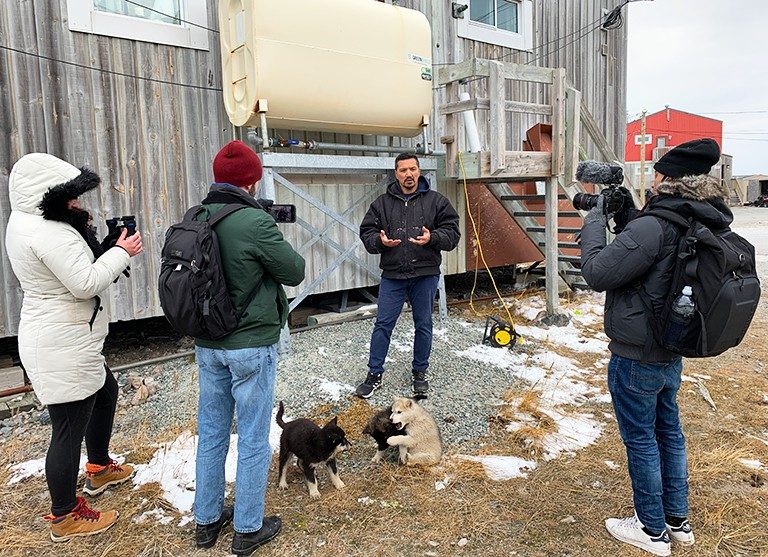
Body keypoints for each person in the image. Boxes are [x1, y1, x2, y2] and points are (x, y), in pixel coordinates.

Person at [580, 138, 726, 556]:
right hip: (671, 345)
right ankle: (678, 523)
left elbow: (597, 271)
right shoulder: (697, 218)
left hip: (636, 352)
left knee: (642, 439)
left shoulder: (655, 224)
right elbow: (655, 260)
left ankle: (650, 530)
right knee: (669, 434)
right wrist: (629, 214)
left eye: (656, 174)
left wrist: (593, 218)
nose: (652, 179)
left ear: (667, 179)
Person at [4, 153, 143, 541]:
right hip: (59, 341)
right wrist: (121, 252)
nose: (78, 203)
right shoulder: (46, 231)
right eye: (71, 196)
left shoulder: (33, 222)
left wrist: (107, 249)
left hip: (67, 335)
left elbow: (68, 271)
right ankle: (64, 516)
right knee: (67, 429)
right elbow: (83, 283)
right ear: (46, 194)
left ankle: (98, 469)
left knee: (105, 390)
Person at [192, 140, 305, 555]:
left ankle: (205, 522)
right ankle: (247, 529)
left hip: (208, 343)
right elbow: (294, 270)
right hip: (250, 345)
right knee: (255, 438)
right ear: (253, 180)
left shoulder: (196, 216)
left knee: (212, 434)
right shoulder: (255, 223)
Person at [356, 153, 460, 398]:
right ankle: (374, 374)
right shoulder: (381, 204)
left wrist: (432, 238)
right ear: (396, 174)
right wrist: (379, 242)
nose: (408, 174)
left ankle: (420, 372)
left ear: (419, 171)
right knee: (383, 324)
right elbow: (367, 233)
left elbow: (453, 233)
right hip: (393, 275)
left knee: (423, 324)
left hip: (424, 274)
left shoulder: (437, 201)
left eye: (412, 169)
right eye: (403, 170)